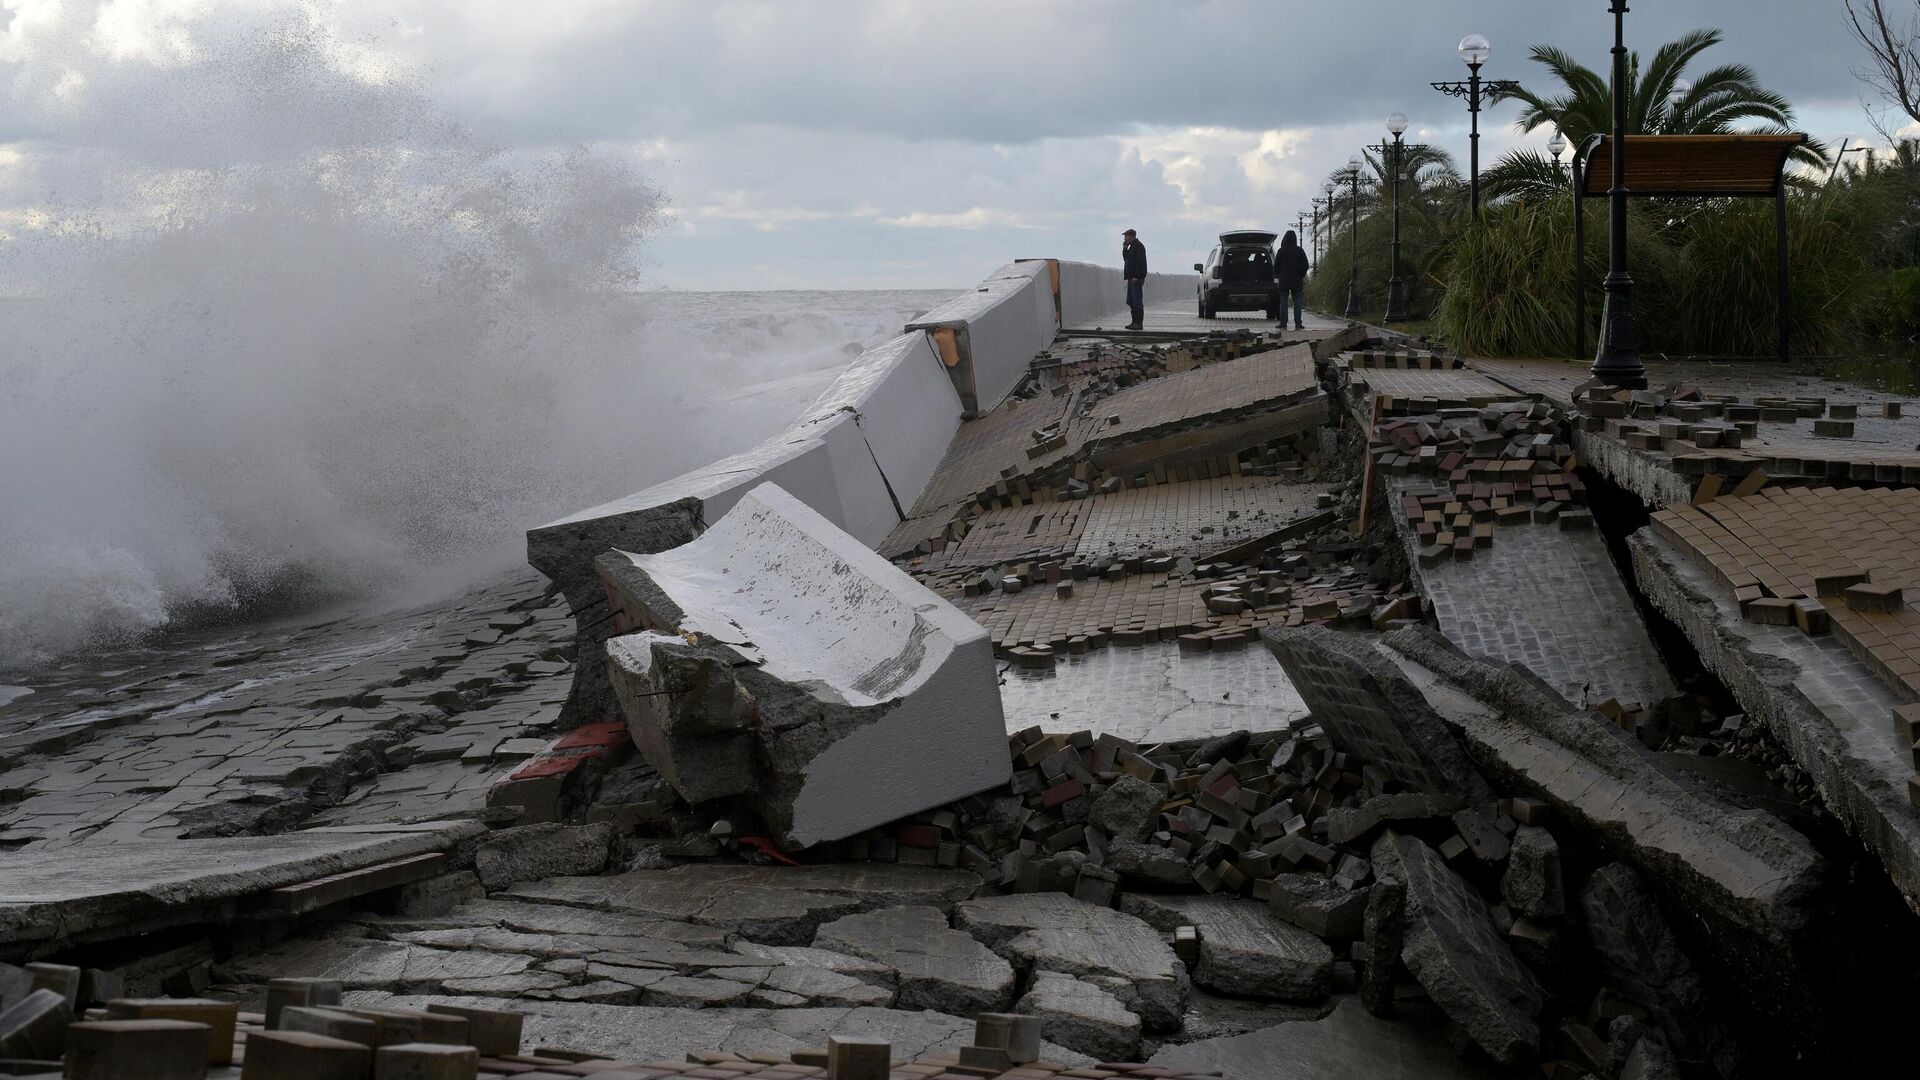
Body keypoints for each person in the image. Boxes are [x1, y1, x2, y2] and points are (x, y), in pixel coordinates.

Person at [1273, 229, 1309, 331]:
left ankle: (1283, 322)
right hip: (1297, 280)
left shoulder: (1281, 251)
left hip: (1284, 280)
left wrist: (1278, 275)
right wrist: (1301, 274)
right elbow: (1305, 264)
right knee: (1297, 301)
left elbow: (1276, 266)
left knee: (1283, 302)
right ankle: (1298, 323)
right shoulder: (1299, 250)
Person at [1121, 228, 1147, 330]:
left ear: (1132, 236)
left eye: (1126, 236)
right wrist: (1124, 249)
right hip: (1131, 278)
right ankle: (1134, 322)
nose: (1125, 238)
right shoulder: (1132, 247)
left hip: (1136, 278)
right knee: (1131, 301)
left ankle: (1138, 323)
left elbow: (1140, 263)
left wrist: (1138, 276)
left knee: (1136, 301)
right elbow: (1127, 259)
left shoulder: (1139, 246)